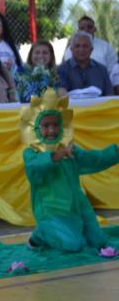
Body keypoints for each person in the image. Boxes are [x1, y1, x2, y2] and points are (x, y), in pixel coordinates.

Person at [20, 88, 119, 252]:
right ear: (36, 127)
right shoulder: (31, 153)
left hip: (79, 206)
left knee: (99, 242)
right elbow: (33, 169)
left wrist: (115, 153)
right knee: (73, 246)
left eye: (55, 125)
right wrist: (55, 156)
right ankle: (41, 232)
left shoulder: (68, 148)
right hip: (53, 210)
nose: (51, 130)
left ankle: (70, 229)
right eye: (45, 126)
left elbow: (93, 160)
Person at [58, 31, 113, 96]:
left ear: (91, 49)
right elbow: (61, 93)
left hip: (99, 106)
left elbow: (110, 95)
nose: (81, 49)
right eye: (77, 46)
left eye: (85, 46)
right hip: (73, 106)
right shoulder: (62, 69)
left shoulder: (102, 70)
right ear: (71, 49)